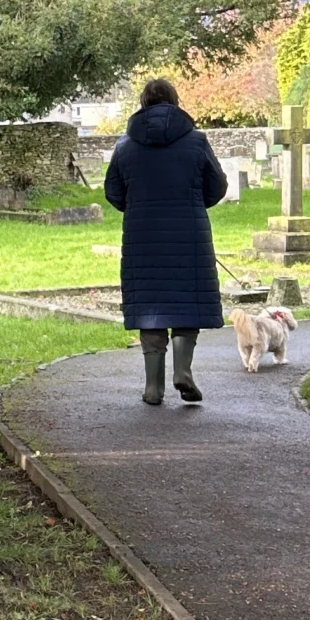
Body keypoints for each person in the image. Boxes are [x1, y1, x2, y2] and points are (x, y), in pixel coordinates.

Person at [103, 78, 228, 405]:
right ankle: (183, 372)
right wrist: (191, 202)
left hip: (142, 237)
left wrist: (140, 206)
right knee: (187, 302)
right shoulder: (197, 142)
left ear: (143, 104)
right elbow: (217, 187)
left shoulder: (124, 147)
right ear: (175, 102)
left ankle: (153, 388)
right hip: (189, 234)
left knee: (150, 308)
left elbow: (114, 193)